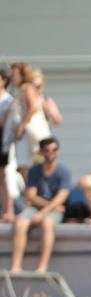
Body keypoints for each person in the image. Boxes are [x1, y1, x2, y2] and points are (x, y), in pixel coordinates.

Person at [10, 137, 69, 273]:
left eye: (54, 150)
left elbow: (62, 197)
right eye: (47, 150)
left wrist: (44, 212)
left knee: (47, 223)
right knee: (20, 222)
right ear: (42, 152)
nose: (50, 153)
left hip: (51, 210)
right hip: (42, 208)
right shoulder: (35, 170)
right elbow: (31, 195)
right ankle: (16, 267)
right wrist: (49, 207)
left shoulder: (63, 171)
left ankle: (42, 267)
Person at [9, 62, 50, 181]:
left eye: (15, 74)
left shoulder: (27, 87)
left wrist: (21, 126)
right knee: (23, 165)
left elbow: (32, 108)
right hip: (26, 133)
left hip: (32, 130)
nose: (12, 77)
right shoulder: (20, 89)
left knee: (37, 161)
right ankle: (30, 192)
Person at [0, 68, 14, 223]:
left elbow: (5, 123)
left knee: (2, 177)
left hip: (2, 142)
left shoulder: (8, 101)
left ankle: (8, 211)